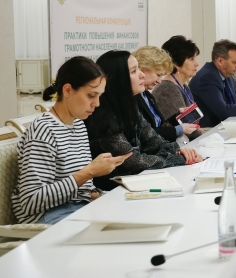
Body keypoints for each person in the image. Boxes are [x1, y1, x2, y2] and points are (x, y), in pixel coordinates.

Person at [12, 57, 132, 225]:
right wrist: (89, 172)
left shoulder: (78, 125)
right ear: (67, 90)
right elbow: (31, 202)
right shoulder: (44, 129)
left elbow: (82, 190)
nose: (97, 103)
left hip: (77, 208)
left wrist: (101, 196)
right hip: (48, 218)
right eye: (91, 95)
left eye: (99, 96)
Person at [85, 51, 202, 192]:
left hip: (135, 182)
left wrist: (179, 151)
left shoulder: (130, 106)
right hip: (113, 190)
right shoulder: (103, 114)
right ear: (118, 78)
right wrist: (180, 159)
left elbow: (154, 141)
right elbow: (132, 161)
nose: (142, 75)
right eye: (134, 71)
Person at [132, 45, 200, 142]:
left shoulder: (147, 95)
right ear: (143, 68)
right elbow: (145, 134)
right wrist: (178, 130)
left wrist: (177, 117)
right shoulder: (133, 98)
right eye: (158, 75)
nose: (159, 81)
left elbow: (160, 124)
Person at [152, 35, 201, 124]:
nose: (197, 63)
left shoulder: (184, 86)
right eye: (191, 59)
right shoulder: (167, 90)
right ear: (176, 64)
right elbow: (183, 125)